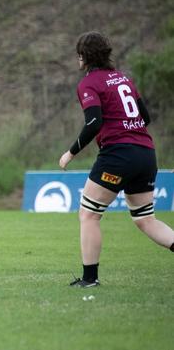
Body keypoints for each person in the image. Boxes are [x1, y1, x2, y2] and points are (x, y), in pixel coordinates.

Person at [59, 31, 174, 287]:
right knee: (146, 219)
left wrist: (70, 153)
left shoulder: (89, 83)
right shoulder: (124, 78)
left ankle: (90, 279)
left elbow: (93, 122)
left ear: (83, 57)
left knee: (88, 215)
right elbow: (145, 118)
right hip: (146, 153)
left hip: (119, 156)